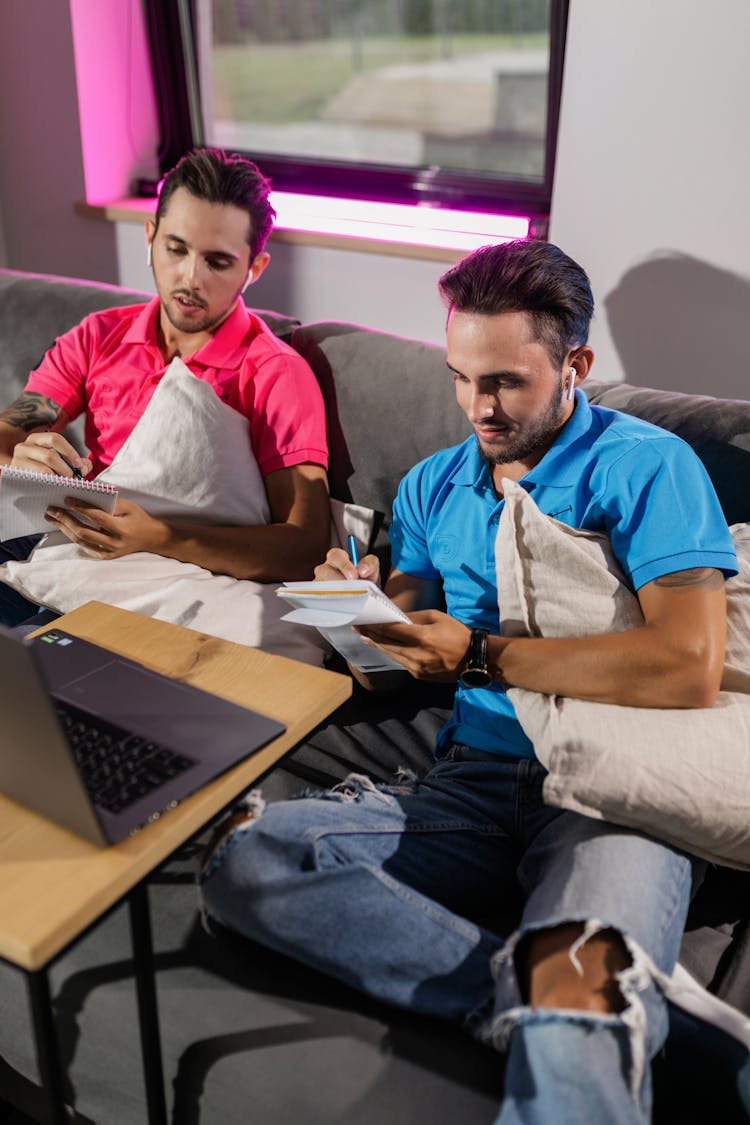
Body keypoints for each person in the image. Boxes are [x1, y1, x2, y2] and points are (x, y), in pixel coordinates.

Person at [199, 240, 742, 1123]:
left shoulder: (647, 466)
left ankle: (575, 1009)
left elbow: (688, 665)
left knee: (572, 1017)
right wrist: (358, 611)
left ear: (576, 366)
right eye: (460, 376)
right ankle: (555, 994)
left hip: (613, 800)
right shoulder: (431, 485)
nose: (476, 407)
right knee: (246, 860)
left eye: (504, 384)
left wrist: (482, 655)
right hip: (472, 790)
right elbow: (394, 657)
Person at [0, 146, 330, 628]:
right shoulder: (98, 336)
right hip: (79, 555)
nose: (189, 278)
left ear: (253, 269)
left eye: (217, 262)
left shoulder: (276, 372)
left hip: (187, 577)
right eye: (176, 249)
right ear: (151, 236)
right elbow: (8, 432)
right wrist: (22, 459)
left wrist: (158, 536)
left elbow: (305, 547)